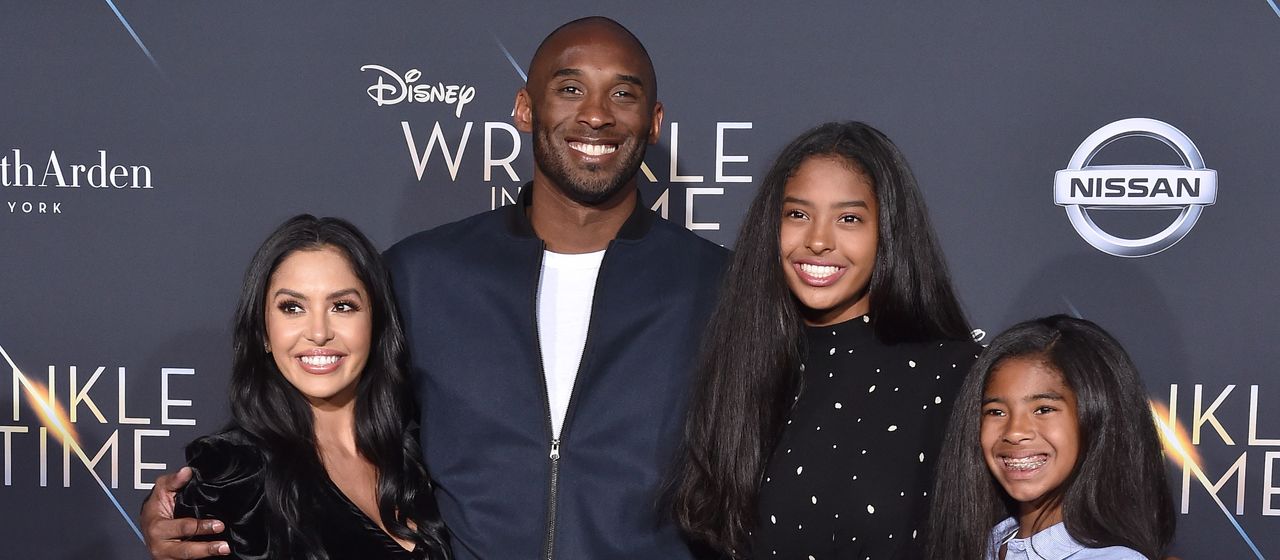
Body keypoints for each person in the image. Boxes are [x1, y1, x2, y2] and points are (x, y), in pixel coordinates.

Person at [141, 17, 729, 560]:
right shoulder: (420, 273)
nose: (596, 115)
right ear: (525, 108)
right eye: (570, 88)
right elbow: (316, 411)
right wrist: (203, 507)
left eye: (623, 94)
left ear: (653, 122)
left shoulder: (721, 287)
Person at [672, 121, 979, 559]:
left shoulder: (954, 375)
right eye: (797, 214)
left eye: (849, 218)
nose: (817, 241)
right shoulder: (739, 365)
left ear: (888, 231)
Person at [171, 215, 451, 559]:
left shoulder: (419, 459)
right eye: (292, 308)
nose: (319, 332)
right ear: (263, 332)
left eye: (342, 306)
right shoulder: (232, 477)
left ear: (376, 325)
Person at [926, 315, 1176, 559]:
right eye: (996, 411)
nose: (1014, 431)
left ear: (1098, 418)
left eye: (1043, 409)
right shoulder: (982, 544)